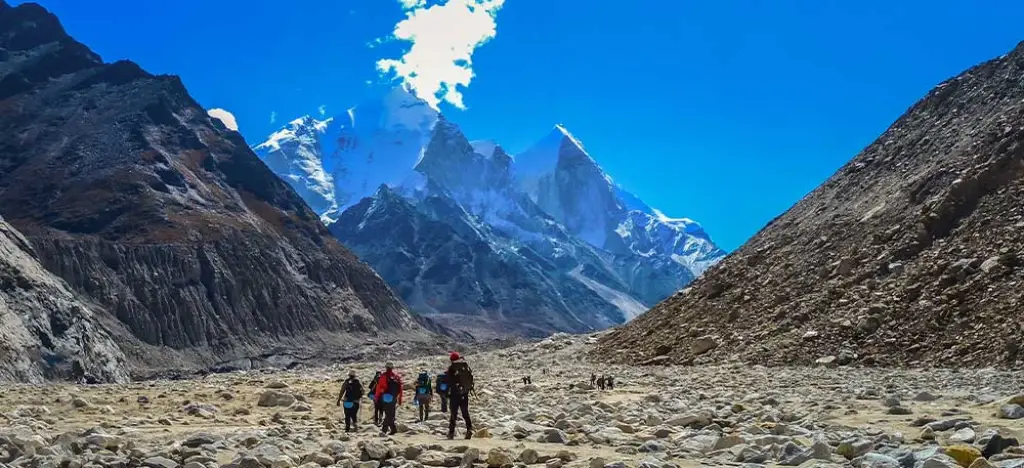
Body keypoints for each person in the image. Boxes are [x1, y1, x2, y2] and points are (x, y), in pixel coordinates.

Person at [446, 352, 474, 440]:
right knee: (465, 412)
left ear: (451, 360)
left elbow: (449, 382)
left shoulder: (451, 369)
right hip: (464, 394)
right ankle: (469, 429)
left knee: (453, 414)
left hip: (454, 395)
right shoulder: (464, 367)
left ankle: (451, 433)